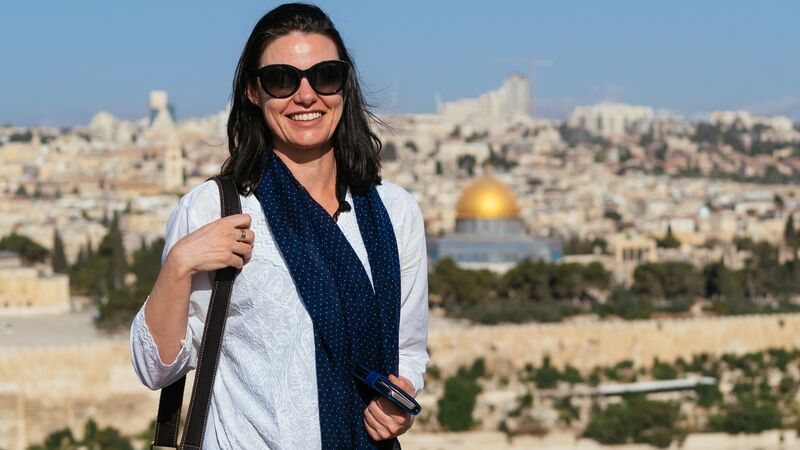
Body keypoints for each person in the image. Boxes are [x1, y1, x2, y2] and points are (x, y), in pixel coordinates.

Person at [129, 3, 429, 449]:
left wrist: (399, 399)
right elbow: (155, 369)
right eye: (282, 79)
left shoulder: (394, 211)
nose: (306, 96)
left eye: (325, 75)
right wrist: (178, 264)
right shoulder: (214, 209)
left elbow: (408, 348)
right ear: (254, 91)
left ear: (344, 85)